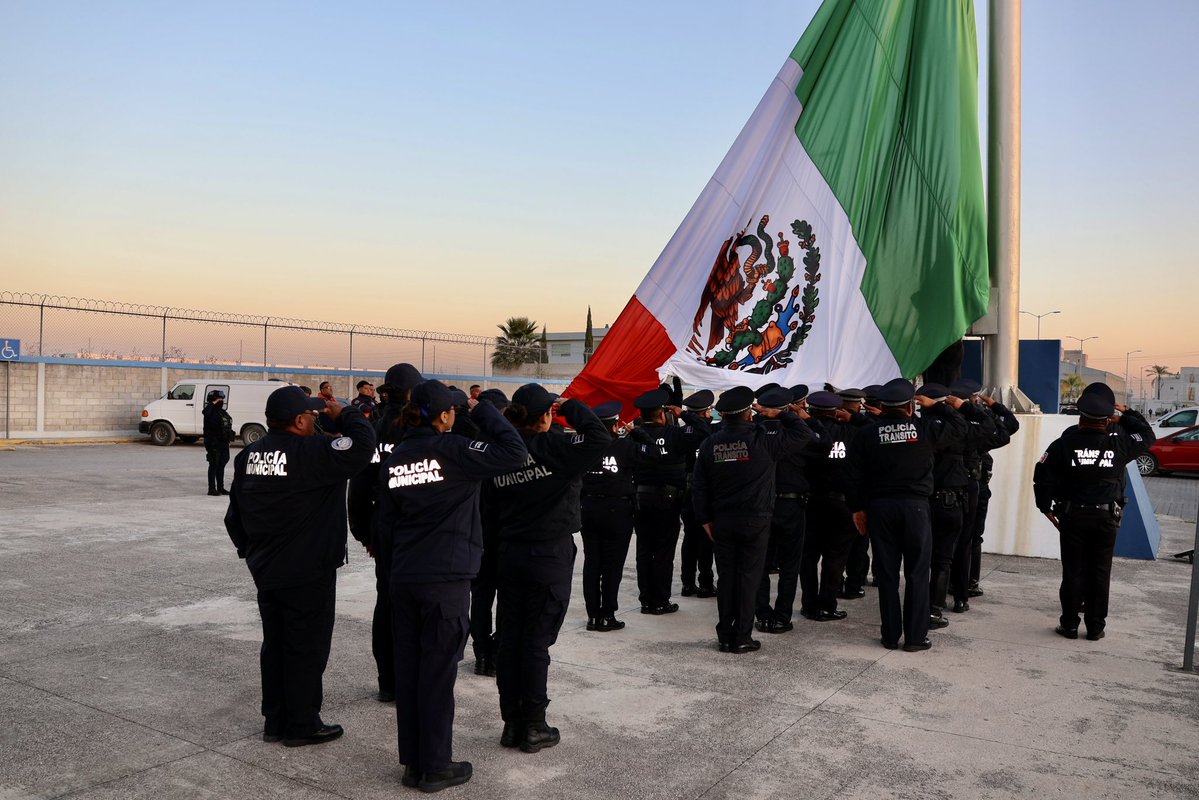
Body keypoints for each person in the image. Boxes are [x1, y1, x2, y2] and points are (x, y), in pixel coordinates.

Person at [375, 380, 528, 791]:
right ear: (445, 415)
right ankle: (437, 765)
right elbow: (515, 453)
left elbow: (384, 525)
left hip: (404, 578)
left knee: (410, 674)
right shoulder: (456, 451)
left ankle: (414, 763)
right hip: (444, 581)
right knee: (438, 676)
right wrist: (483, 410)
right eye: (453, 412)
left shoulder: (398, 456)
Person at [225, 385, 375, 746]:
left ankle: (275, 720)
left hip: (268, 570)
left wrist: (254, 555)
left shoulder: (248, 456)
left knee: (275, 644)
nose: (315, 418)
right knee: (306, 647)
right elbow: (365, 443)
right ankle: (303, 723)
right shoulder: (314, 452)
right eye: (311, 414)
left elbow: (234, 518)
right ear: (298, 420)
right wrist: (345, 414)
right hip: (308, 569)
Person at [489, 384, 610, 752]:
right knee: (537, 641)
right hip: (548, 554)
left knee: (510, 639)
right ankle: (534, 725)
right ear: (546, 416)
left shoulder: (502, 451)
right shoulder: (556, 448)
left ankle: (512, 722)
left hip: (509, 552)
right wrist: (571, 405)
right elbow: (599, 436)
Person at [846, 378, 966, 652]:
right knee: (917, 573)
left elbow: (852, 476)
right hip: (916, 508)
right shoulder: (923, 428)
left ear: (883, 408)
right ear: (910, 407)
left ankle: (890, 636)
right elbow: (959, 427)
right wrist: (938, 406)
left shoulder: (866, 435)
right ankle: (915, 638)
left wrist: (857, 509)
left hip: (880, 508)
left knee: (887, 574)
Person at [692, 386, 814, 654]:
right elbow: (804, 433)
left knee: (726, 579)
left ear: (723, 415)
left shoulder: (710, 443)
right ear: (749, 414)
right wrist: (783, 413)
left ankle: (725, 635)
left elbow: (698, 486)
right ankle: (742, 636)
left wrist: (704, 520)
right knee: (749, 578)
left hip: (722, 520)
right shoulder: (762, 441)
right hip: (755, 519)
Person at [1033, 387, 1154, 641]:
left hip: (1072, 517)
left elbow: (1042, 475)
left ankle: (1069, 625)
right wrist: (1126, 415)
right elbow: (1147, 434)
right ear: (1107, 419)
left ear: (1080, 416)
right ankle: (1096, 627)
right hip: (1106, 519)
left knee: (1073, 571)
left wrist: (1045, 508)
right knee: (1100, 572)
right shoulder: (1120, 443)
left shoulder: (1064, 443)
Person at [347, 363, 424, 703]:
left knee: (387, 602)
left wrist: (365, 534)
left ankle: (388, 681)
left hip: (385, 529)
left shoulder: (373, 431)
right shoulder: (420, 431)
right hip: (418, 530)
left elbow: (358, 488)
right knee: (418, 605)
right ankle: (413, 678)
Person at [580, 401, 663, 631]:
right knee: (612, 565)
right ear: (616, 426)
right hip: (617, 511)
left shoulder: (585, 447)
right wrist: (637, 431)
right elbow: (655, 453)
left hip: (589, 507)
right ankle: (607, 615)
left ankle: (592, 616)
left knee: (592, 564)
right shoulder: (625, 447)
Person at [631, 388, 707, 614]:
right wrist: (683, 413)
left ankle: (646, 598)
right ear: (663, 414)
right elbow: (704, 431)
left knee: (644, 549)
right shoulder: (674, 435)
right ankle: (660, 600)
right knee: (663, 551)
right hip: (668, 499)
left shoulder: (634, 435)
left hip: (640, 498)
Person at [924, 383, 995, 629]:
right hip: (951, 501)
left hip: (922, 503)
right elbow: (989, 426)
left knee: (923, 558)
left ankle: (923, 605)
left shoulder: (919, 428)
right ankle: (941, 606)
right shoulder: (959, 430)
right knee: (951, 554)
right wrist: (962, 407)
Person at [755, 385, 822, 632]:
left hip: (762, 504)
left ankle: (762, 614)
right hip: (792, 504)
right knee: (790, 565)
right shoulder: (797, 433)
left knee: (760, 564)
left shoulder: (756, 430)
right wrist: (797, 416)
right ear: (788, 408)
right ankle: (782, 616)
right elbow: (823, 442)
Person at [949, 380, 1018, 608]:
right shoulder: (979, 428)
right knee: (972, 538)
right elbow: (1011, 425)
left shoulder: (947, 426)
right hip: (974, 488)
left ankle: (948, 584)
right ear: (971, 401)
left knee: (948, 540)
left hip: (948, 488)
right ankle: (968, 583)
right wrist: (993, 406)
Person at [798, 391, 859, 622]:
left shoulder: (805, 432)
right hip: (841, 503)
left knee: (809, 555)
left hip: (811, 501)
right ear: (836, 410)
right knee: (836, 558)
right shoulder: (851, 431)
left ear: (810, 410)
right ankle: (827, 605)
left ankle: (809, 603)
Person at [470, 387, 513, 675]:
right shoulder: (506, 446)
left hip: (476, 533)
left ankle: (482, 653)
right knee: (507, 599)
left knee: (481, 599)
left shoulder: (467, 442)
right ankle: (495, 653)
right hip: (504, 533)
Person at [678, 389, 717, 598]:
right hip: (703, 489)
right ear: (704, 413)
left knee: (690, 538)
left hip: (687, 488)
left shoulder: (683, 432)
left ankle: (687, 582)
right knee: (704, 539)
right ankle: (705, 583)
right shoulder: (708, 433)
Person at [203, 389, 234, 496]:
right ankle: (211, 489)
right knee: (213, 464)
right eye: (219, 399)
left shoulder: (222, 411)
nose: (221, 401)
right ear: (213, 400)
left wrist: (228, 439)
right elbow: (205, 412)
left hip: (223, 442)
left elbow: (227, 425)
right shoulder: (209, 411)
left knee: (222, 463)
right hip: (213, 442)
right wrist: (212, 403)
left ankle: (221, 487)